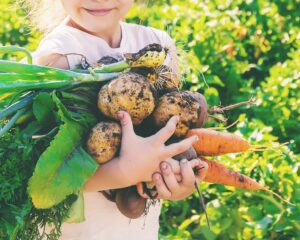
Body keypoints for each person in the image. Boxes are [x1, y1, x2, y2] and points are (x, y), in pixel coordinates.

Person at [26, 0, 208, 239]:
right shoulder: (57, 59)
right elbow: (42, 181)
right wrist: (124, 172)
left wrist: (173, 178)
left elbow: (165, 129)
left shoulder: (158, 45)